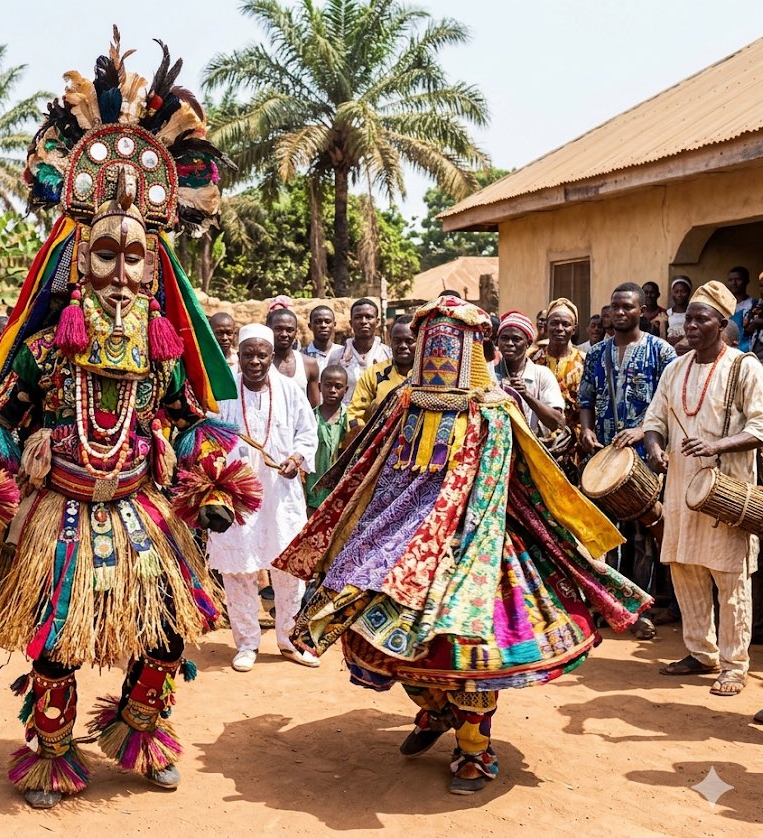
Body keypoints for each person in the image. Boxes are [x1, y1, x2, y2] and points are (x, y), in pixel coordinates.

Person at [0, 36, 261, 808]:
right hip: (62, 509)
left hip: (141, 509)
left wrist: (206, 482)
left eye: (135, 257)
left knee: (167, 640)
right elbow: (2, 421)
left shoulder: (166, 348)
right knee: (56, 644)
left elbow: (186, 420)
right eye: (104, 255)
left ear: (154, 265)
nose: (120, 271)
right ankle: (50, 751)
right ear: (78, 263)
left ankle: (140, 733)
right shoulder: (44, 349)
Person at [274, 296, 650, 795]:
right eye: (433, 341)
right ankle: (433, 713)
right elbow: (375, 477)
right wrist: (368, 541)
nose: (438, 353)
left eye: (450, 343)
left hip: (485, 537)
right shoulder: (404, 403)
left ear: (472, 347)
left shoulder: (493, 410)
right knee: (393, 642)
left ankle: (475, 748)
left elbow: (506, 480)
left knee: (473, 652)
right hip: (403, 540)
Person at [643, 281, 763, 698]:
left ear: (722, 323)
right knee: (685, 569)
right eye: (688, 318)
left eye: (700, 318)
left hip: (726, 489)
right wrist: (656, 449)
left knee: (730, 577)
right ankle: (700, 652)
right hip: (679, 487)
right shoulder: (674, 368)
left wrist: (716, 445)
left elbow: (759, 426)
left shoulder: (744, 367)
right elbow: (653, 420)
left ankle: (734, 664)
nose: (690, 325)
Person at [208, 325, 318, 673]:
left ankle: (288, 639)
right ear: (238, 356)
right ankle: (246, 643)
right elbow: (209, 435)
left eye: (262, 355)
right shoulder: (224, 392)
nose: (255, 361)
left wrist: (297, 459)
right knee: (239, 571)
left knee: (287, 567)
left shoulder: (290, 389)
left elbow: (307, 432)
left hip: (280, 494)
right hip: (236, 494)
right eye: (248, 355)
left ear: (272, 356)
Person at [579, 282, 676, 639]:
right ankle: (609, 605)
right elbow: (585, 399)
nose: (620, 313)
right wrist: (587, 431)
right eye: (615, 307)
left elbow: (669, 406)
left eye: (628, 307)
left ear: (641, 311)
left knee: (643, 537)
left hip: (644, 460)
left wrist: (643, 431)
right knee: (606, 535)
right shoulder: (596, 354)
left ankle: (640, 610)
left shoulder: (661, 352)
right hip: (604, 458)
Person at [530, 299, 584, 475]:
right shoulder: (532, 360)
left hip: (575, 446)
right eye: (554, 323)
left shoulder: (585, 361)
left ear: (574, 329)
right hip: (538, 443)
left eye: (566, 324)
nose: (559, 328)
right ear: (546, 326)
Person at [493, 311, 565, 435]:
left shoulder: (542, 374)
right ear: (497, 342)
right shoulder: (488, 373)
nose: (509, 343)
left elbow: (557, 423)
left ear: (528, 344)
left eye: (516, 339)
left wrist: (526, 395)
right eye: (504, 338)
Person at [347, 315, 415, 430]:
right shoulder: (373, 374)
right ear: (390, 341)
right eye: (397, 341)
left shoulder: (428, 376)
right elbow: (354, 414)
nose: (403, 346)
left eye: (409, 341)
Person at [306, 365, 348, 513]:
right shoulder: (310, 418)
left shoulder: (351, 419)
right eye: (328, 385)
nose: (332, 390)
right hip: (313, 495)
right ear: (319, 387)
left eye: (338, 386)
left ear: (346, 390)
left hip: (341, 495)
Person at [338, 299, 392, 405]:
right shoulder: (337, 357)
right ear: (351, 323)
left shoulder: (389, 355)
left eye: (369, 317)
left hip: (380, 419)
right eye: (358, 317)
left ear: (377, 322)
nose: (363, 321)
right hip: (347, 419)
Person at [268, 308, 320, 406]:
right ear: (269, 329)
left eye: (289, 330)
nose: (284, 334)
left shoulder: (309, 364)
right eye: (278, 329)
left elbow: (314, 409)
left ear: (296, 332)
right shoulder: (261, 365)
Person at [726, 266, 758, 352]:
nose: (734, 283)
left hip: (748, 351)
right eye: (730, 280)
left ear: (746, 281)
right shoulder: (724, 305)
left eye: (738, 279)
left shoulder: (754, 305)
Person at [303, 305, 343, 369]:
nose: (323, 325)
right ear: (310, 326)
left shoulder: (343, 353)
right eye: (318, 322)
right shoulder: (301, 356)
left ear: (334, 325)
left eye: (327, 322)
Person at [666, 276, 692, 348]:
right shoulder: (667, 314)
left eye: (683, 291)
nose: (679, 295)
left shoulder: (693, 313)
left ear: (689, 292)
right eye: (676, 291)